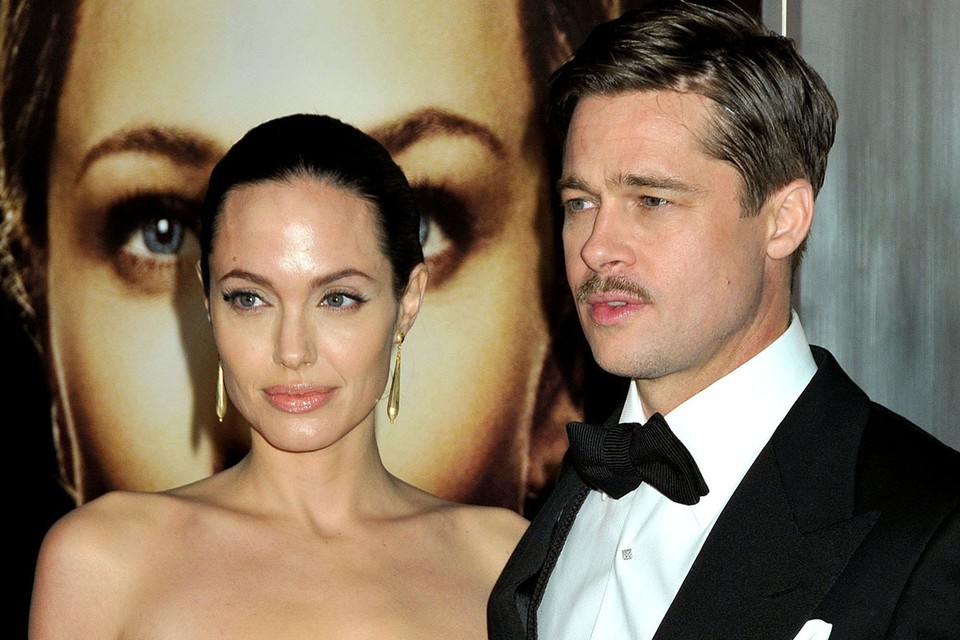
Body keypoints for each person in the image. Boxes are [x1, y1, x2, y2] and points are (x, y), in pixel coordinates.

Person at [0, 0, 620, 523]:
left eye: (419, 221)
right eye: (162, 230)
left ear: (560, 331)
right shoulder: (90, 568)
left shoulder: (510, 570)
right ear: (35, 285)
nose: (292, 355)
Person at [488, 1, 960, 639]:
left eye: (651, 200)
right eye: (580, 202)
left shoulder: (934, 530)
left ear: (783, 220)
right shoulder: (565, 505)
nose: (596, 247)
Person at [29, 113, 529, 639]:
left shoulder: (503, 561)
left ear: (407, 302)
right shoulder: (101, 560)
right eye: (250, 298)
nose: (292, 351)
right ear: (208, 300)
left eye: (338, 299)